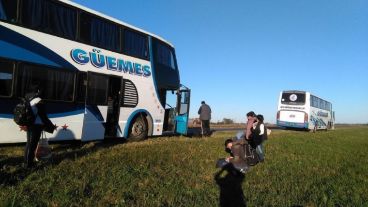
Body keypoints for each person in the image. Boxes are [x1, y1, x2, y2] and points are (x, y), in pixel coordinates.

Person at [24, 84, 55, 168]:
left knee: (29, 143)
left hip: (30, 124)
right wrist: (51, 126)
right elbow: (43, 115)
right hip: (36, 126)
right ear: (38, 91)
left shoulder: (28, 98)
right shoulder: (38, 100)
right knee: (32, 144)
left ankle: (27, 161)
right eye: (40, 90)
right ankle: (28, 164)